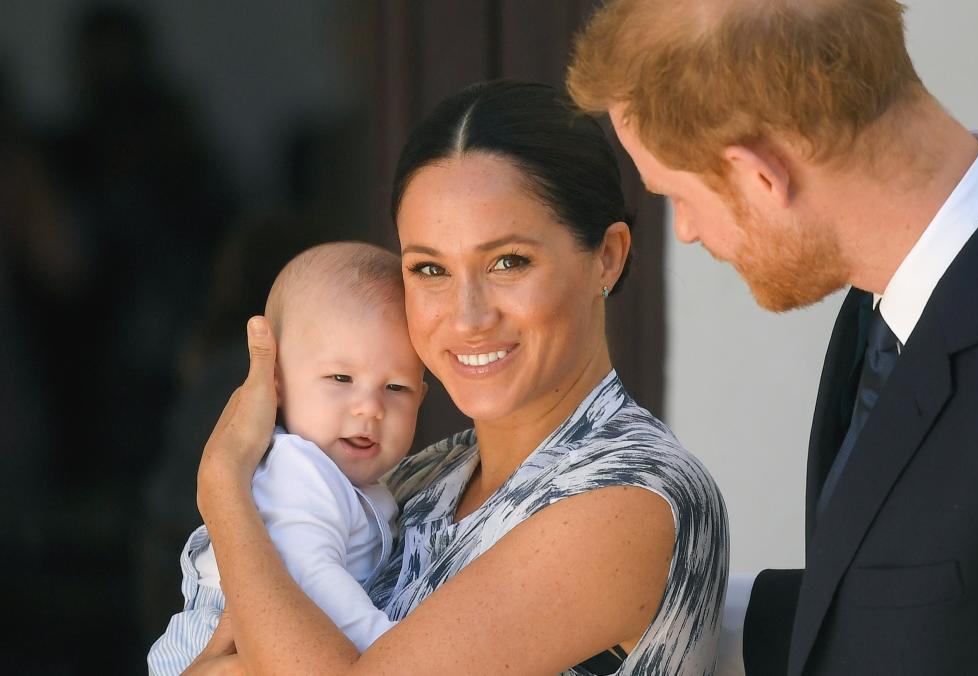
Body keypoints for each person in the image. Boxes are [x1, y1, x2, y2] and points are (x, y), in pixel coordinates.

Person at [567, 1, 978, 674]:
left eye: (677, 195)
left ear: (760, 175)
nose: (685, 230)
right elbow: (930, 606)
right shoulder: (900, 292)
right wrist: (650, 610)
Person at [186, 80, 728, 675]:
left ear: (608, 256)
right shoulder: (421, 478)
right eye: (429, 268)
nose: (468, 317)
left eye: (508, 262)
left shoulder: (631, 496)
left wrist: (223, 487)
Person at [148, 242, 427, 674]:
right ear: (275, 383)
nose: (370, 408)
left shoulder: (356, 481)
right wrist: (387, 650)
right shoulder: (298, 470)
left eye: (396, 388)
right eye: (341, 378)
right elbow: (312, 579)